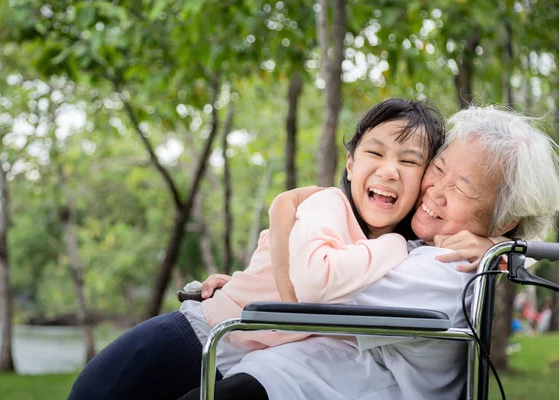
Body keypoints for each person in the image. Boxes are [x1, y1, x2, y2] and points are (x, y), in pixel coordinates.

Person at [68, 98, 449, 400]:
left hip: (231, 357)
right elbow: (315, 282)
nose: (389, 170)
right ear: (350, 164)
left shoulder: (409, 254)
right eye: (375, 153)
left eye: (409, 161)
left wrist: (490, 242)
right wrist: (394, 245)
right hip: (189, 340)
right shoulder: (327, 204)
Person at [179, 105, 559, 400]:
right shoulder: (429, 242)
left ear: (505, 219)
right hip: (288, 374)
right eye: (437, 169)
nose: (435, 191)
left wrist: (256, 278)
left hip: (310, 385)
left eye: (461, 189)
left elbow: (319, 283)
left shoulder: (449, 266)